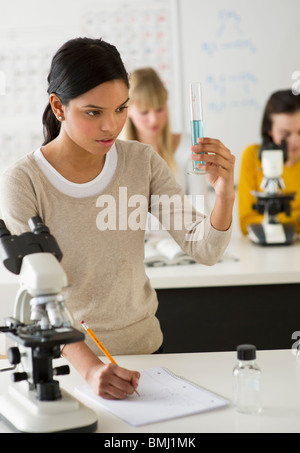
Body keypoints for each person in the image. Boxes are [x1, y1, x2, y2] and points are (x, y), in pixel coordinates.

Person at [0, 37, 235, 400]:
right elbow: (41, 296)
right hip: (68, 368)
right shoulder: (23, 181)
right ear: (58, 107)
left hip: (148, 357)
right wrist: (91, 369)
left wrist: (224, 194)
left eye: (121, 109)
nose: (112, 126)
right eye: (93, 112)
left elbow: (204, 248)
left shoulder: (141, 161)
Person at [123, 67, 210, 209]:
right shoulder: (118, 155)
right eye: (144, 112)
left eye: (159, 109)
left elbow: (202, 208)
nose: (153, 119)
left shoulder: (189, 147)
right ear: (128, 110)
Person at [238, 89, 300, 235]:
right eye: (285, 134)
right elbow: (246, 222)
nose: (294, 141)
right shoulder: (252, 156)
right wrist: (296, 219)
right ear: (269, 131)